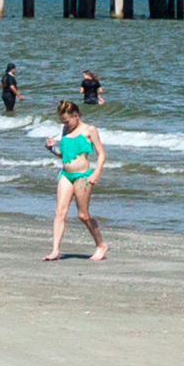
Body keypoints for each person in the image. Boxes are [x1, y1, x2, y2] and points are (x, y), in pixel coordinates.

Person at [47, 99, 111, 261]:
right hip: (66, 175)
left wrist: (96, 173)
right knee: (59, 212)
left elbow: (101, 154)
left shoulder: (90, 130)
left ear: (76, 115)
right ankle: (55, 250)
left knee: (83, 215)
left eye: (67, 120)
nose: (65, 124)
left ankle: (100, 245)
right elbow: (64, 154)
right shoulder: (65, 130)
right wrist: (51, 148)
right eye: (62, 121)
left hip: (83, 176)